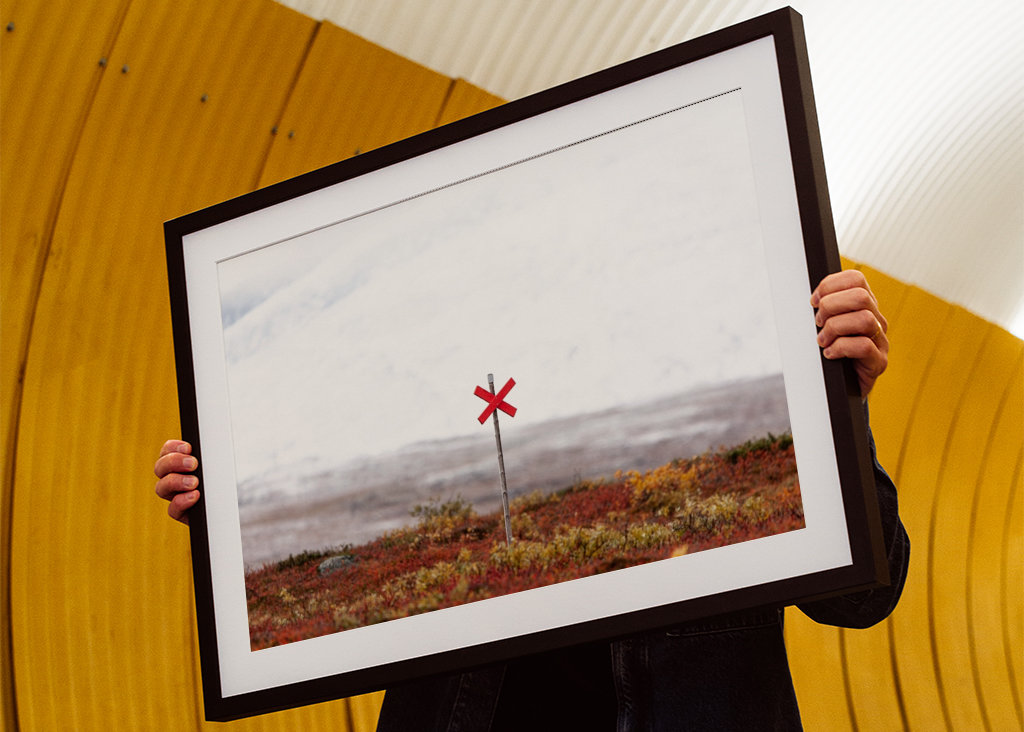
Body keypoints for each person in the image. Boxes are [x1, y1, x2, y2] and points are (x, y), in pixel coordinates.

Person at [154, 269, 909, 731]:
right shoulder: (432, 408)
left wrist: (838, 403)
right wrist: (235, 506)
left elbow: (866, 595)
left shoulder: (744, 379)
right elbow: (350, 537)